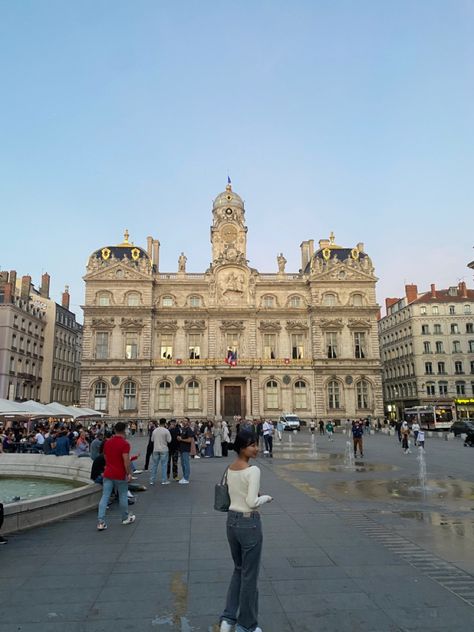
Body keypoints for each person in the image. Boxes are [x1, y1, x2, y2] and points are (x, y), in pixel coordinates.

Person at [219, 429, 273, 632]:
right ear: (243, 448)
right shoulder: (253, 470)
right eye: (253, 445)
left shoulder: (229, 468)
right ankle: (247, 625)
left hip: (231, 522)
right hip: (249, 523)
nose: (257, 448)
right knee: (250, 576)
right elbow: (251, 502)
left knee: (238, 571)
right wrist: (266, 498)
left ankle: (228, 619)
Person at [96, 422, 135, 531]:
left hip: (108, 473)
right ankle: (125, 517)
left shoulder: (107, 443)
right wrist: (129, 473)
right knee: (122, 495)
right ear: (124, 430)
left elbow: (105, 457)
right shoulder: (125, 444)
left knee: (105, 496)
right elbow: (126, 461)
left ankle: (101, 522)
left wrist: (110, 465)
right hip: (120, 474)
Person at [150, 419, 171, 486]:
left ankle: (152, 480)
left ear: (159, 422)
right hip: (164, 449)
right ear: (165, 423)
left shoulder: (155, 430)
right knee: (164, 465)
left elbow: (152, 440)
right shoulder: (166, 431)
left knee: (154, 465)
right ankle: (164, 480)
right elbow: (169, 440)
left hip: (155, 449)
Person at [177, 417, 195, 484]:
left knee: (186, 464)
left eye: (185, 421)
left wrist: (181, 439)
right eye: (183, 421)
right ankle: (184, 477)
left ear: (188, 422)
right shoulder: (183, 429)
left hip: (186, 449)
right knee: (183, 464)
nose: (184, 422)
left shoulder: (188, 429)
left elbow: (190, 440)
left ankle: (186, 478)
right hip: (182, 449)